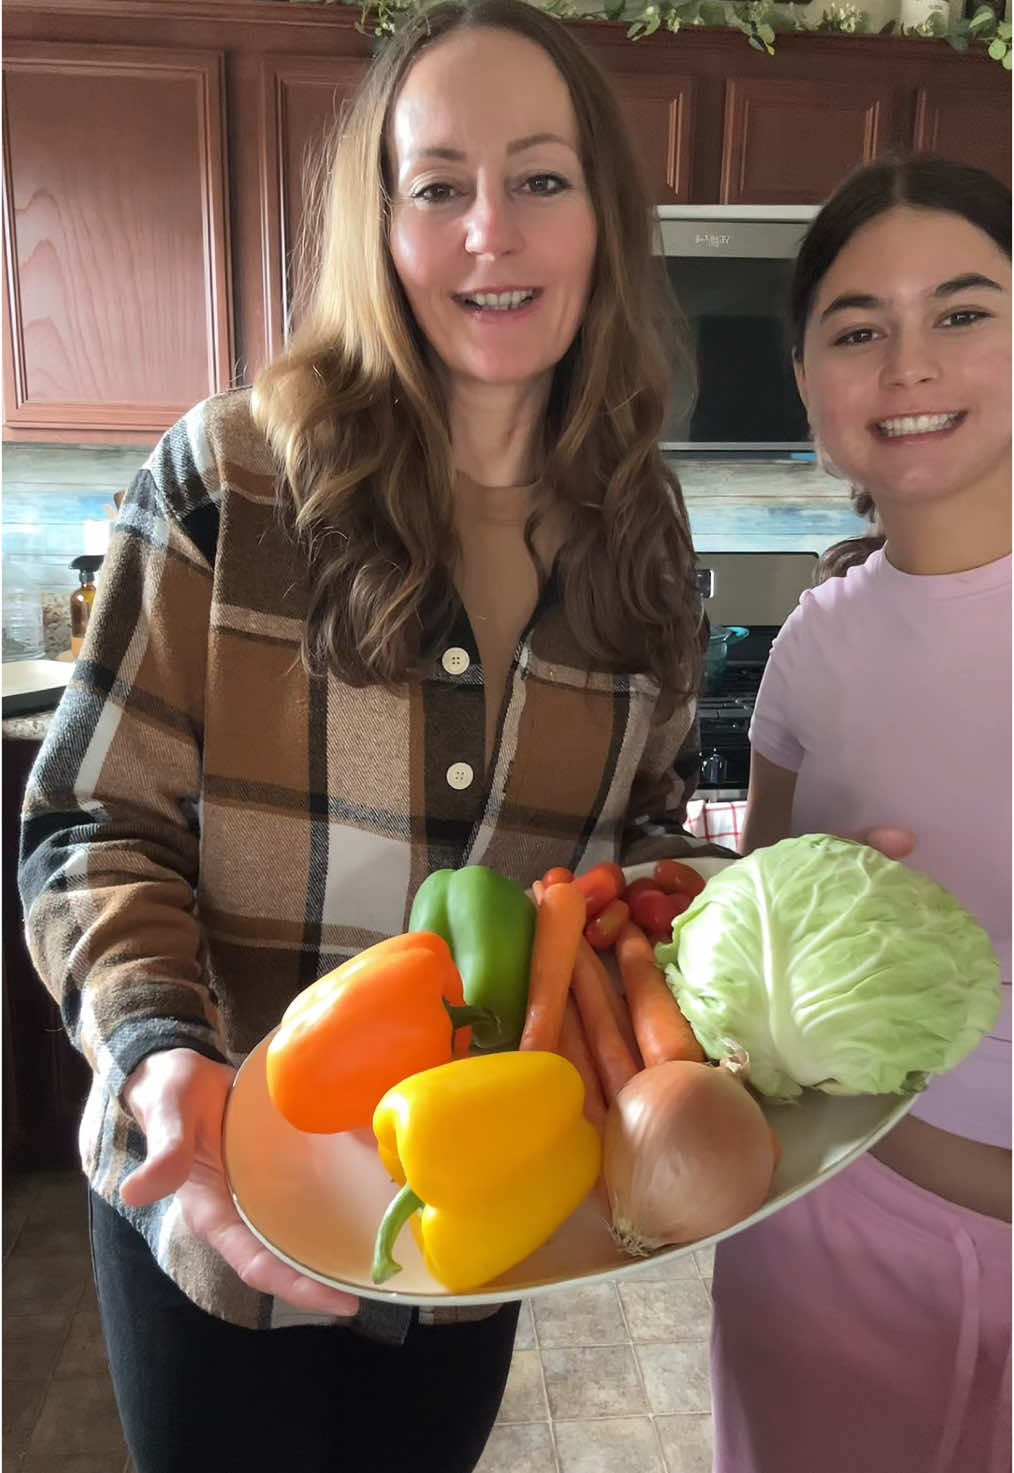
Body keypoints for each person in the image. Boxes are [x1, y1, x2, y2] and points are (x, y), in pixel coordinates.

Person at [17, 3, 723, 1469]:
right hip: (215, 1222)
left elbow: (637, 844)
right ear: (380, 222)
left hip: (475, 1246)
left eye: (541, 179)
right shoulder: (230, 480)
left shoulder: (641, 529)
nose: (491, 235)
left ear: (604, 215)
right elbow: (93, 826)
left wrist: (740, 921)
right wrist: (157, 1057)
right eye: (438, 185)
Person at [713, 155, 1012, 1473]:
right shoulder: (812, 649)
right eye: (856, 328)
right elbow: (754, 967)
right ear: (806, 382)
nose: (908, 366)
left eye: (961, 311)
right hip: (829, 1236)